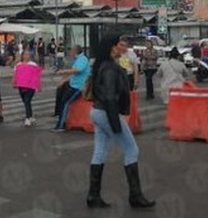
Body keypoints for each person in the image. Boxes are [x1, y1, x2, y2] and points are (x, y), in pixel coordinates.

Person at [86, 34, 156, 209]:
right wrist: (116, 122)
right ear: (112, 48)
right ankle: (135, 195)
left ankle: (93, 195)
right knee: (132, 148)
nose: (123, 48)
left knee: (100, 151)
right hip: (107, 113)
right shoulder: (109, 68)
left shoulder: (102, 65)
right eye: (120, 45)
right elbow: (110, 96)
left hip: (97, 111)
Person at [53, 45, 90, 132]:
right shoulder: (78, 59)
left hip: (78, 86)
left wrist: (62, 72)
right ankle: (62, 122)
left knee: (65, 102)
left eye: (71, 50)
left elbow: (77, 70)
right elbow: (74, 73)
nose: (70, 52)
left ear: (75, 51)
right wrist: (64, 80)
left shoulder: (82, 59)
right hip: (74, 85)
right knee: (63, 101)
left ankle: (61, 125)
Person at [14, 50, 41, 127]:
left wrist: (38, 86)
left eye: (28, 54)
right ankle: (31, 116)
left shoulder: (33, 64)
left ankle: (27, 118)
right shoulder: (18, 64)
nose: (26, 56)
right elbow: (15, 74)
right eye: (25, 54)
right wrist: (14, 83)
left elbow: (37, 76)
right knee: (25, 101)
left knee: (27, 100)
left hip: (30, 86)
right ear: (22, 56)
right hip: (21, 85)